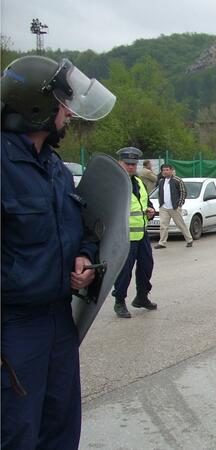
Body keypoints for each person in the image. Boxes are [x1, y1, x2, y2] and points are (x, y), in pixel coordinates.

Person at [1, 55, 115, 449]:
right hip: (12, 327)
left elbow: (78, 228)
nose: (68, 112)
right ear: (39, 106)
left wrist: (83, 257)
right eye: (64, 103)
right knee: (16, 432)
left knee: (61, 427)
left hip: (58, 319)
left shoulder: (56, 168)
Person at [112, 147, 158, 319]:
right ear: (120, 163)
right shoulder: (115, 184)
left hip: (142, 234)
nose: (131, 167)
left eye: (134, 164)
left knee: (147, 267)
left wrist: (150, 210)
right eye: (127, 164)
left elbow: (146, 203)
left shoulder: (138, 182)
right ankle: (119, 301)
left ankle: (142, 297)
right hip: (125, 237)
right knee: (124, 271)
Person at [155, 163, 193, 248]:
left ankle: (189, 239)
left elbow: (183, 192)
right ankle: (162, 243)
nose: (165, 172)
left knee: (180, 224)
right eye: (163, 170)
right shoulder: (161, 181)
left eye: (167, 170)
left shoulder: (177, 180)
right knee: (163, 226)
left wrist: (179, 204)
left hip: (174, 207)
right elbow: (159, 193)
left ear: (171, 171)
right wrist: (160, 204)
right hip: (164, 207)